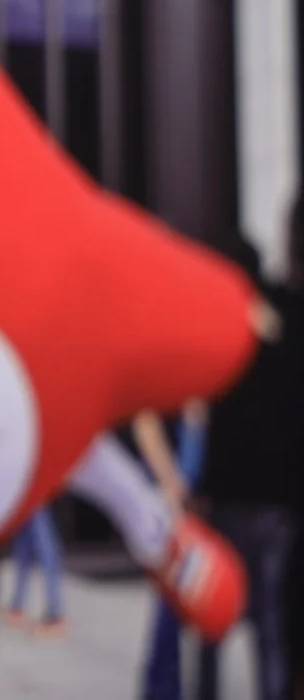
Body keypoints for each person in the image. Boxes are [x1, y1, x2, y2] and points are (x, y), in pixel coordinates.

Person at [193, 228, 300, 700]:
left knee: (214, 621)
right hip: (274, 499)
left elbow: (212, 423)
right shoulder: (286, 323)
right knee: (271, 625)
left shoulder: (221, 333)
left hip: (232, 498)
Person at [136, 397, 209, 700]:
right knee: (173, 599)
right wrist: (174, 487)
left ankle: (170, 687)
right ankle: (163, 689)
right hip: (171, 498)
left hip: (186, 492)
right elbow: (147, 424)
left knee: (189, 596)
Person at [5, 505, 65, 636]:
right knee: (24, 553)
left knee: (46, 554)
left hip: (36, 500)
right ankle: (17, 606)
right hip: (26, 499)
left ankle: (54, 615)